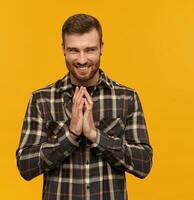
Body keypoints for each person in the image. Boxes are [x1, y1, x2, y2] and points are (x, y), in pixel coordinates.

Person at [16, 13, 153, 200]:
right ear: (63, 49)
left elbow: (143, 164)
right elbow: (25, 166)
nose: (82, 60)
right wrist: (70, 135)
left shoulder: (126, 98)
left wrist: (95, 136)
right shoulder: (41, 100)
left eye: (90, 50)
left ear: (101, 48)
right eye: (73, 50)